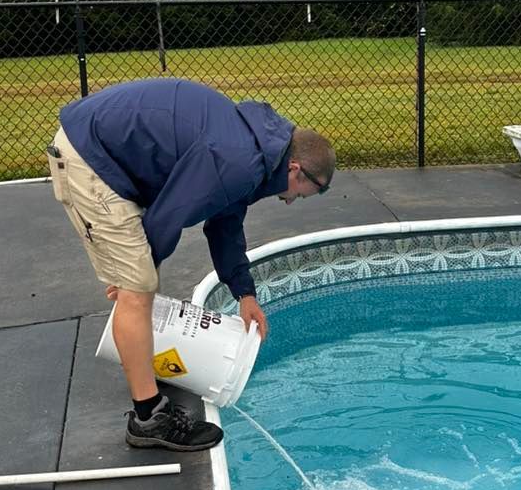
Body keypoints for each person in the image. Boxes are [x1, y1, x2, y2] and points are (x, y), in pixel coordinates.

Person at [46, 78, 335, 452]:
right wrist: (131, 272)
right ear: (296, 170)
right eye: (302, 193)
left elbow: (225, 221)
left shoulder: (257, 152)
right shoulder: (237, 159)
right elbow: (168, 216)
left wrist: (244, 293)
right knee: (137, 288)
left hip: (103, 148)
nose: (293, 201)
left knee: (139, 278)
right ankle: (147, 419)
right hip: (90, 158)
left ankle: (144, 365)